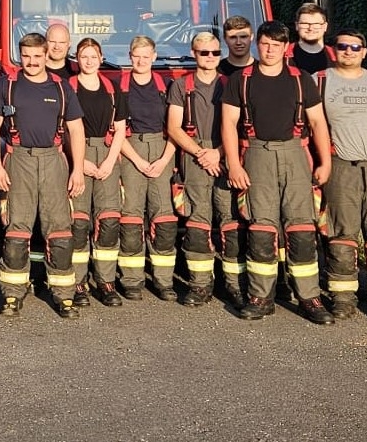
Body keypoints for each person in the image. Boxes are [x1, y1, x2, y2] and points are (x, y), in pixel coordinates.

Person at [220, 21, 334, 324]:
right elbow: (228, 124)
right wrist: (233, 163)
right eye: (265, 43)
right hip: (256, 153)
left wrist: (325, 162)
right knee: (261, 228)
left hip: (295, 153)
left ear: (286, 47)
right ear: (258, 44)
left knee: (301, 228)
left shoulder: (301, 80)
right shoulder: (240, 80)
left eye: (276, 45)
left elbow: (319, 123)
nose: (270, 50)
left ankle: (309, 296)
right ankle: (260, 297)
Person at [0, 33, 86, 318]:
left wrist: (77, 169)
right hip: (19, 159)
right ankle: (13, 295)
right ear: (20, 55)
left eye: (37, 56)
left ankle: (64, 295)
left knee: (60, 231)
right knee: (17, 230)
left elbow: (77, 130)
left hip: (54, 160)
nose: (31, 62)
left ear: (46, 56)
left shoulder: (62, 88)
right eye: (26, 56)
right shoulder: (7, 86)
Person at [314, 29, 367, 322]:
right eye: (342, 46)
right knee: (341, 235)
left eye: (355, 47)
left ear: (365, 51)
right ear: (333, 50)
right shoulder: (319, 81)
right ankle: (343, 298)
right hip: (340, 166)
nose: (348, 51)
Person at [165, 32, 237, 308]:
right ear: (193, 53)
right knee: (197, 221)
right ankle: (200, 284)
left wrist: (218, 153)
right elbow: (174, 127)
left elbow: (237, 126)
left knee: (230, 221)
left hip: (224, 153)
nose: (210, 57)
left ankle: (234, 284)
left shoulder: (231, 84)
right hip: (194, 156)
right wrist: (200, 153)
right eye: (204, 52)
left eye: (215, 53)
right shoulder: (181, 86)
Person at [116, 35, 177, 300]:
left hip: (163, 149)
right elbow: (116, 133)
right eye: (136, 55)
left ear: (154, 56)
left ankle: (164, 281)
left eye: (146, 55)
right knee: (131, 216)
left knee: (163, 216)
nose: (141, 61)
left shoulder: (167, 86)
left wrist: (164, 160)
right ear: (130, 57)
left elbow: (176, 129)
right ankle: (132, 280)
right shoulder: (120, 87)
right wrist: (138, 160)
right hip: (131, 150)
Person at [70, 38, 128, 308]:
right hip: (78, 158)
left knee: (108, 222)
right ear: (77, 59)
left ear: (101, 57)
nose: (89, 61)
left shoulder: (112, 89)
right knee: (79, 223)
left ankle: (106, 281)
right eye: (84, 56)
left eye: (94, 56)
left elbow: (120, 130)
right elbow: (66, 131)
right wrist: (79, 163)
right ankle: (78, 282)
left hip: (106, 156)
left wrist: (109, 162)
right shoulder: (67, 88)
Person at [287, 3, 333, 74]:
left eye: (316, 24)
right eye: (305, 24)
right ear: (296, 25)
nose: (310, 28)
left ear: (325, 26)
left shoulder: (337, 58)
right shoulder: (283, 56)